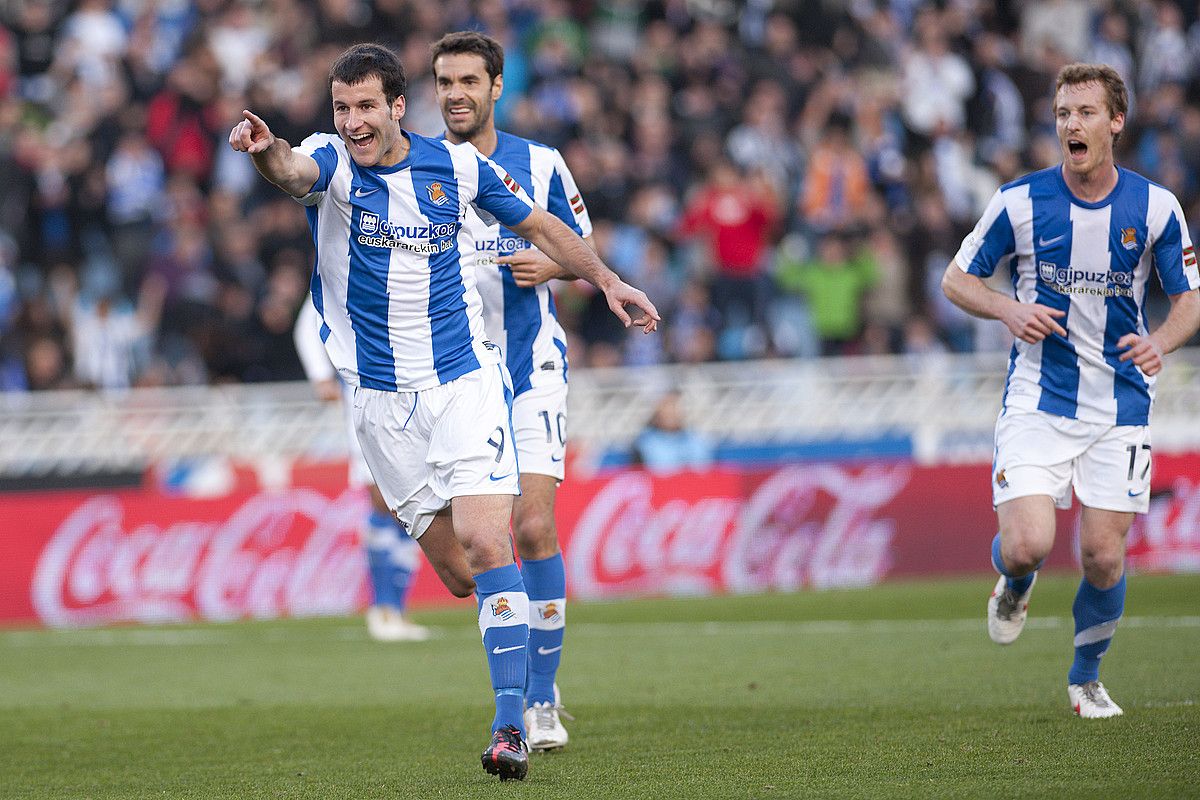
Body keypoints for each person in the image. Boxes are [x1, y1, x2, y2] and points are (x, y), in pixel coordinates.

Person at [229, 42, 659, 780]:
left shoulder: (455, 168)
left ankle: (512, 724)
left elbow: (542, 226)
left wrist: (608, 281)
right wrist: (267, 150)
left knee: (498, 544)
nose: (354, 121)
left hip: (464, 382)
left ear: (398, 107)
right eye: (342, 108)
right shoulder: (329, 163)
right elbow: (290, 171)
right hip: (377, 405)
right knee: (461, 575)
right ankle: (523, 683)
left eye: (367, 106)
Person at [942, 63, 1200, 719]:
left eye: (1085, 112)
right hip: (1037, 398)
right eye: (1062, 114)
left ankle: (1085, 678)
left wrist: (1160, 342)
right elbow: (956, 280)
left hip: (1120, 407)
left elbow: (1189, 302)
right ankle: (1015, 578)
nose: (1070, 125)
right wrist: (1005, 309)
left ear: (1116, 121)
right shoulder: (1019, 201)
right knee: (1028, 542)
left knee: (1103, 557)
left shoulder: (1156, 207)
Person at [425, 30, 583, 753]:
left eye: (468, 81)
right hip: (455, 381)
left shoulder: (541, 163)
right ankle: (518, 690)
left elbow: (579, 242)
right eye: (444, 82)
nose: (455, 93)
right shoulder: (417, 165)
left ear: (496, 88)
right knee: (470, 558)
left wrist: (552, 269)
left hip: (530, 369)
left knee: (533, 528)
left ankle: (542, 701)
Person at [293, 296, 428, 643]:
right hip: (365, 392)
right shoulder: (351, 253)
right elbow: (309, 321)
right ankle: (382, 608)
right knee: (383, 500)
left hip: (418, 391)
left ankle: (396, 609)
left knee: (412, 506)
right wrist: (320, 375)